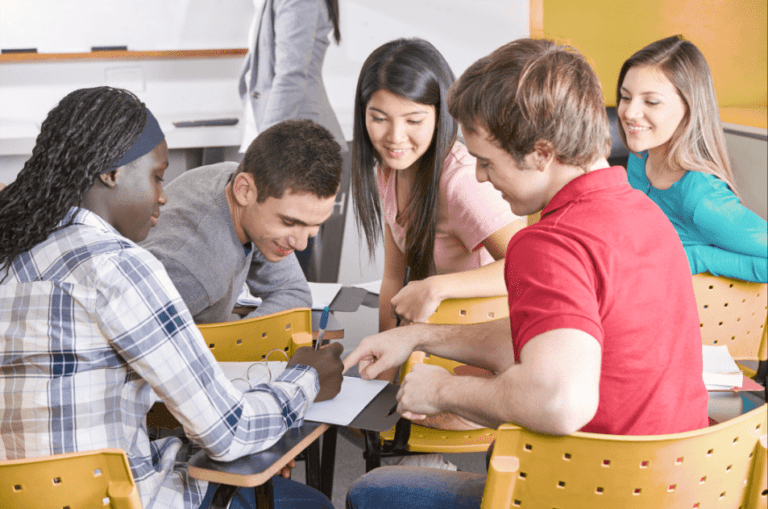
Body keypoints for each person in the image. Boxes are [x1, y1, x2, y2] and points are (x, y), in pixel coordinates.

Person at [344, 38, 709, 509]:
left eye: (487, 161)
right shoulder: (642, 212)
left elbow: (558, 400)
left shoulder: (550, 243)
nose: (478, 176)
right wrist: (420, 338)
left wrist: (443, 389)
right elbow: (550, 339)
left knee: (371, 493)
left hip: (593, 491)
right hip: (677, 487)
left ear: (540, 154)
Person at [0, 86, 342, 509]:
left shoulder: (13, 251)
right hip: (119, 497)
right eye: (157, 177)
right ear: (112, 174)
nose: (164, 195)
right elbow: (228, 431)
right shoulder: (122, 269)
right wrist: (306, 379)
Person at [350, 38, 524, 384]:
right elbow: (392, 280)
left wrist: (436, 287)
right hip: (433, 341)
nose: (395, 137)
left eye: (413, 120)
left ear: (440, 114)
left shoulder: (461, 181)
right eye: (379, 118)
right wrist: (384, 374)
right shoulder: (386, 171)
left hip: (484, 349)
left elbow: (530, 267)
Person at [140, 118, 343, 324]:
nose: (301, 244)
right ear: (243, 190)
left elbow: (293, 292)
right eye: (289, 222)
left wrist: (238, 337)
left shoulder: (239, 185)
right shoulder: (193, 270)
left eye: (315, 225)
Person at [617, 35, 767, 283]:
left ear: (690, 108)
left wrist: (698, 257)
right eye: (625, 97)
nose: (630, 112)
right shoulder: (639, 158)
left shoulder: (702, 200)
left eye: (651, 101)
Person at [239, 0, 347, 277]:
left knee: (288, 267)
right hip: (285, 141)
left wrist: (265, 153)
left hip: (294, 149)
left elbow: (291, 75)